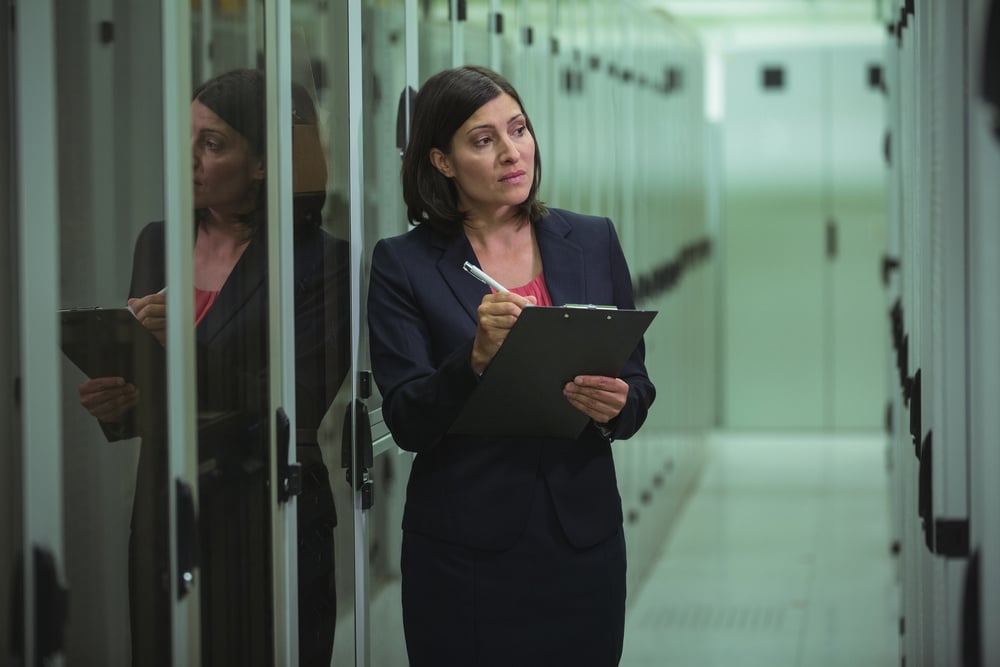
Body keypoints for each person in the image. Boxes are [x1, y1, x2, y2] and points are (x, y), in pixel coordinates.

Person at [366, 65, 656, 666]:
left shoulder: (593, 240)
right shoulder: (403, 264)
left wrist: (619, 405)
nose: (511, 152)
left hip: (582, 539)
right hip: (462, 550)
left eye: (518, 130)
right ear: (441, 161)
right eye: (483, 140)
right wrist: (472, 359)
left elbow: (636, 384)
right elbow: (408, 418)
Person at [77, 68, 348, 666]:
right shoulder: (158, 242)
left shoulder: (323, 262)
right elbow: (155, 386)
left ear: (262, 162)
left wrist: (184, 346)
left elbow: (296, 403)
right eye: (188, 139)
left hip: (270, 510)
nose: (191, 159)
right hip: (166, 506)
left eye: (213, 143)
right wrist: (120, 404)